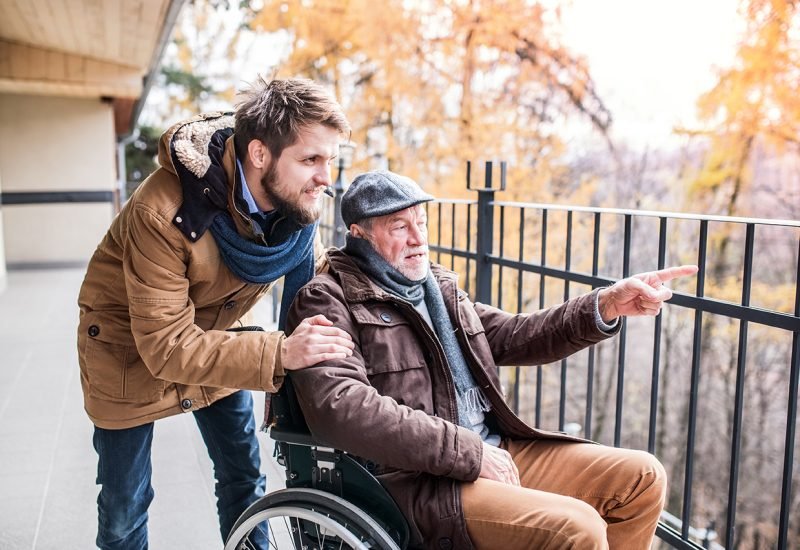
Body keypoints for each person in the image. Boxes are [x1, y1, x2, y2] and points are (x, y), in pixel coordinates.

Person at [285, 170, 699, 550]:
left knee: (641, 478)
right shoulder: (327, 298)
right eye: (399, 227)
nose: (418, 238)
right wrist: (469, 452)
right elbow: (342, 407)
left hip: (493, 449)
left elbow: (517, 334)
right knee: (577, 528)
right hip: (420, 482)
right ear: (359, 234)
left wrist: (606, 304)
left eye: (421, 222)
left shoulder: (437, 292)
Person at [76, 77, 357, 550]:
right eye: (311, 159)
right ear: (260, 154)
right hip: (127, 347)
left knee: (244, 478)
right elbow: (166, 346)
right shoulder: (161, 213)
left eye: (329, 159)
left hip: (213, 337)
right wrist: (281, 352)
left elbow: (314, 285)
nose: (325, 177)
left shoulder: (293, 214)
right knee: (126, 505)